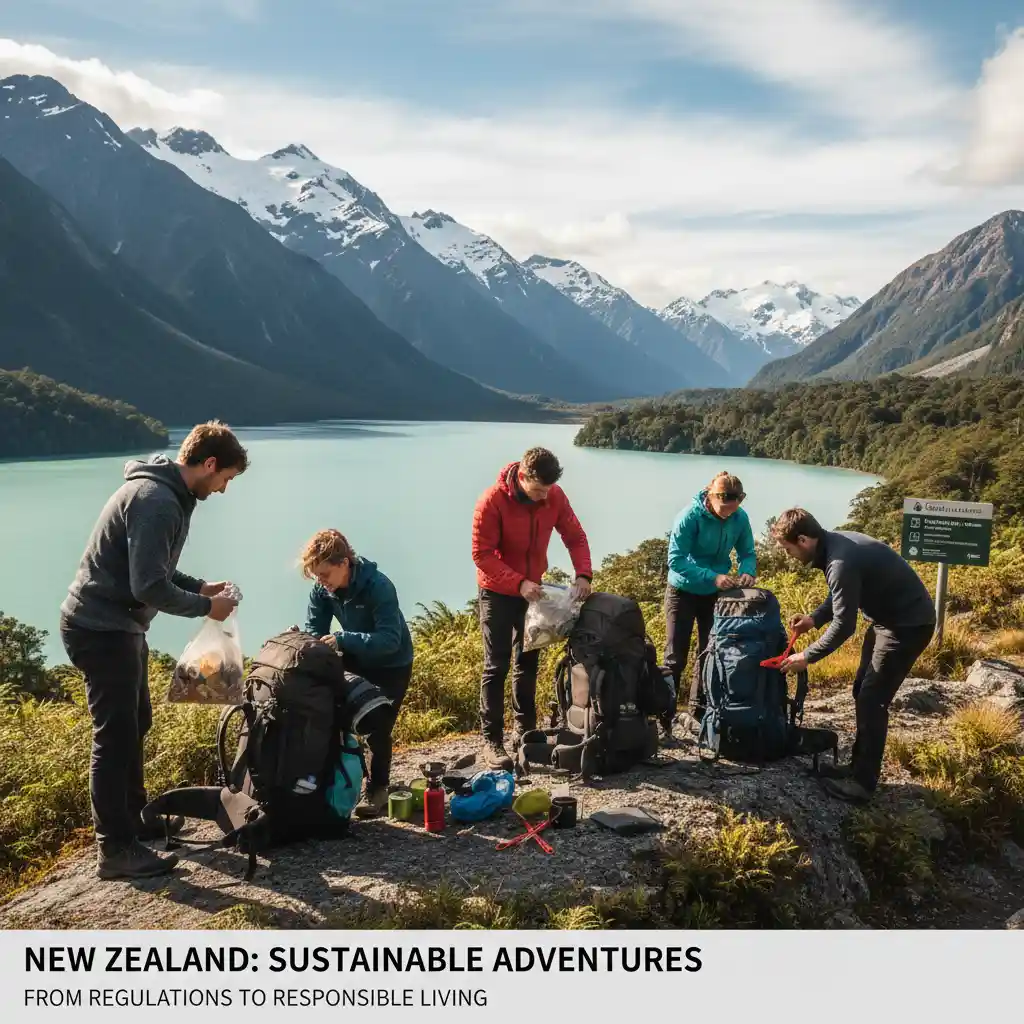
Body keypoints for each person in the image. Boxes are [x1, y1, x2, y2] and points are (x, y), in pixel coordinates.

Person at [59, 422, 248, 880]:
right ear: (209, 464)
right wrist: (207, 607)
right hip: (101, 629)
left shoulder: (163, 492)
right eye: (225, 478)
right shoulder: (157, 501)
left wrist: (199, 586)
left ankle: (135, 820)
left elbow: (154, 567)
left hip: (117, 627)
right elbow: (147, 586)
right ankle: (115, 849)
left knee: (135, 722)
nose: (223, 489)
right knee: (115, 738)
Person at [772, 508, 936, 805]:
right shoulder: (833, 547)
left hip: (908, 626)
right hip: (888, 621)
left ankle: (863, 784)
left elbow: (845, 626)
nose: (788, 555)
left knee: (872, 699)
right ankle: (857, 768)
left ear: (804, 540)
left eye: (788, 548)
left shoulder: (839, 561)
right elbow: (843, 594)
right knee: (862, 689)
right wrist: (814, 619)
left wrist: (806, 656)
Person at [471, 447, 593, 770]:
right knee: (496, 666)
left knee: (527, 662)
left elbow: (575, 536)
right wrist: (518, 583)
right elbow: (482, 554)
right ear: (523, 477)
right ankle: (491, 739)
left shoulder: (554, 496)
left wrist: (583, 573)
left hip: (533, 591)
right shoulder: (492, 501)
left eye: (549, 490)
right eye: (539, 490)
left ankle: (524, 730)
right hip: (497, 592)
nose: (544, 497)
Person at [301, 529, 414, 818]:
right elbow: (315, 630)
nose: (321, 581)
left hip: (392, 663)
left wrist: (342, 639)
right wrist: (314, 645)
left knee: (378, 727)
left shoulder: (379, 586)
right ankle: (336, 785)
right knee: (333, 718)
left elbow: (390, 641)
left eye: (325, 574)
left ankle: (378, 788)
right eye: (316, 576)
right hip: (354, 657)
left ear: (344, 563)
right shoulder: (322, 590)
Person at [663, 471, 756, 740]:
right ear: (711, 497)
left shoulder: (740, 517)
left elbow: (747, 552)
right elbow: (676, 560)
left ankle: (699, 713)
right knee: (674, 656)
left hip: (715, 593)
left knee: (710, 652)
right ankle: (664, 717)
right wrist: (711, 576)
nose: (728, 515)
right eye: (723, 509)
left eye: (732, 509)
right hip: (683, 590)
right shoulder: (689, 517)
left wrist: (747, 571)